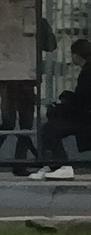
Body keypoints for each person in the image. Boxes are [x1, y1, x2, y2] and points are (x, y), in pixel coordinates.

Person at [35, 38, 91, 177]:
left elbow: (82, 100)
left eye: (72, 54)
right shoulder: (87, 70)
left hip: (85, 118)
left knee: (49, 130)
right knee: (50, 128)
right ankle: (54, 164)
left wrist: (62, 104)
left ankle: (62, 165)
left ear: (77, 55)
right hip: (84, 115)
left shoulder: (88, 72)